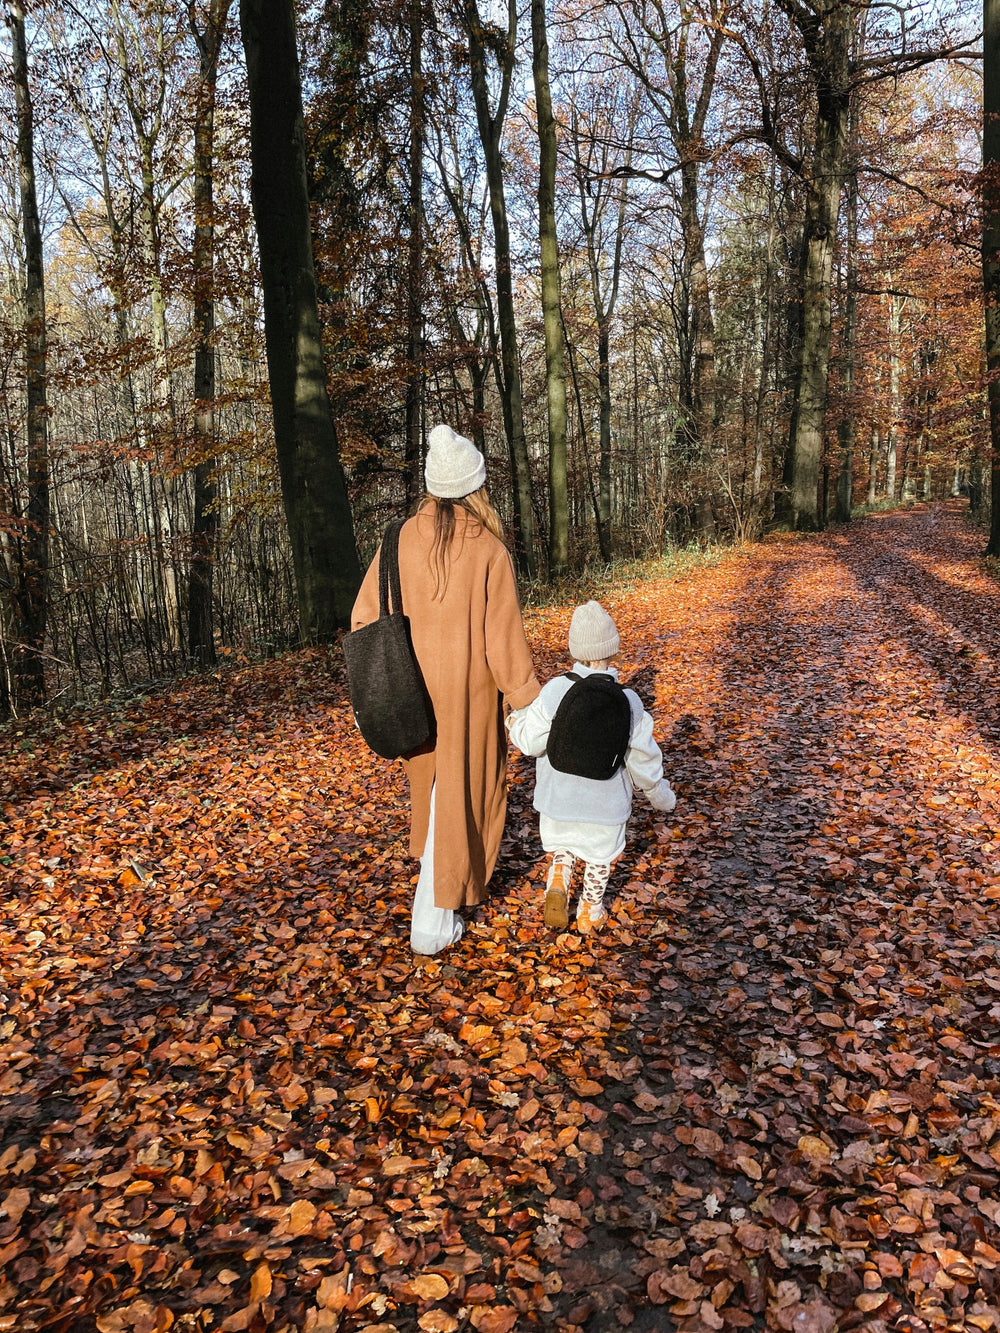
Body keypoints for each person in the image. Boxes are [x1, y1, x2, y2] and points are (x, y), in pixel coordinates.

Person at [351, 423, 539, 957]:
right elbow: (503, 645)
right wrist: (532, 702)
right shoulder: (488, 550)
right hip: (468, 699)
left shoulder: (400, 537)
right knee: (460, 800)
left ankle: (438, 909)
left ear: (432, 485)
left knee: (435, 797)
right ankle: (433, 922)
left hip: (410, 693)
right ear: (475, 486)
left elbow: (364, 616)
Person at [506, 600, 676, 934]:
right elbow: (644, 760)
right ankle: (589, 911)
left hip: (557, 804)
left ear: (574, 648)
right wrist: (661, 796)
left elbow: (529, 741)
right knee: (599, 859)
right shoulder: (628, 701)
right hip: (604, 807)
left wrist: (515, 721)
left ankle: (559, 874)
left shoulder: (555, 690)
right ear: (612, 650)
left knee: (565, 844)